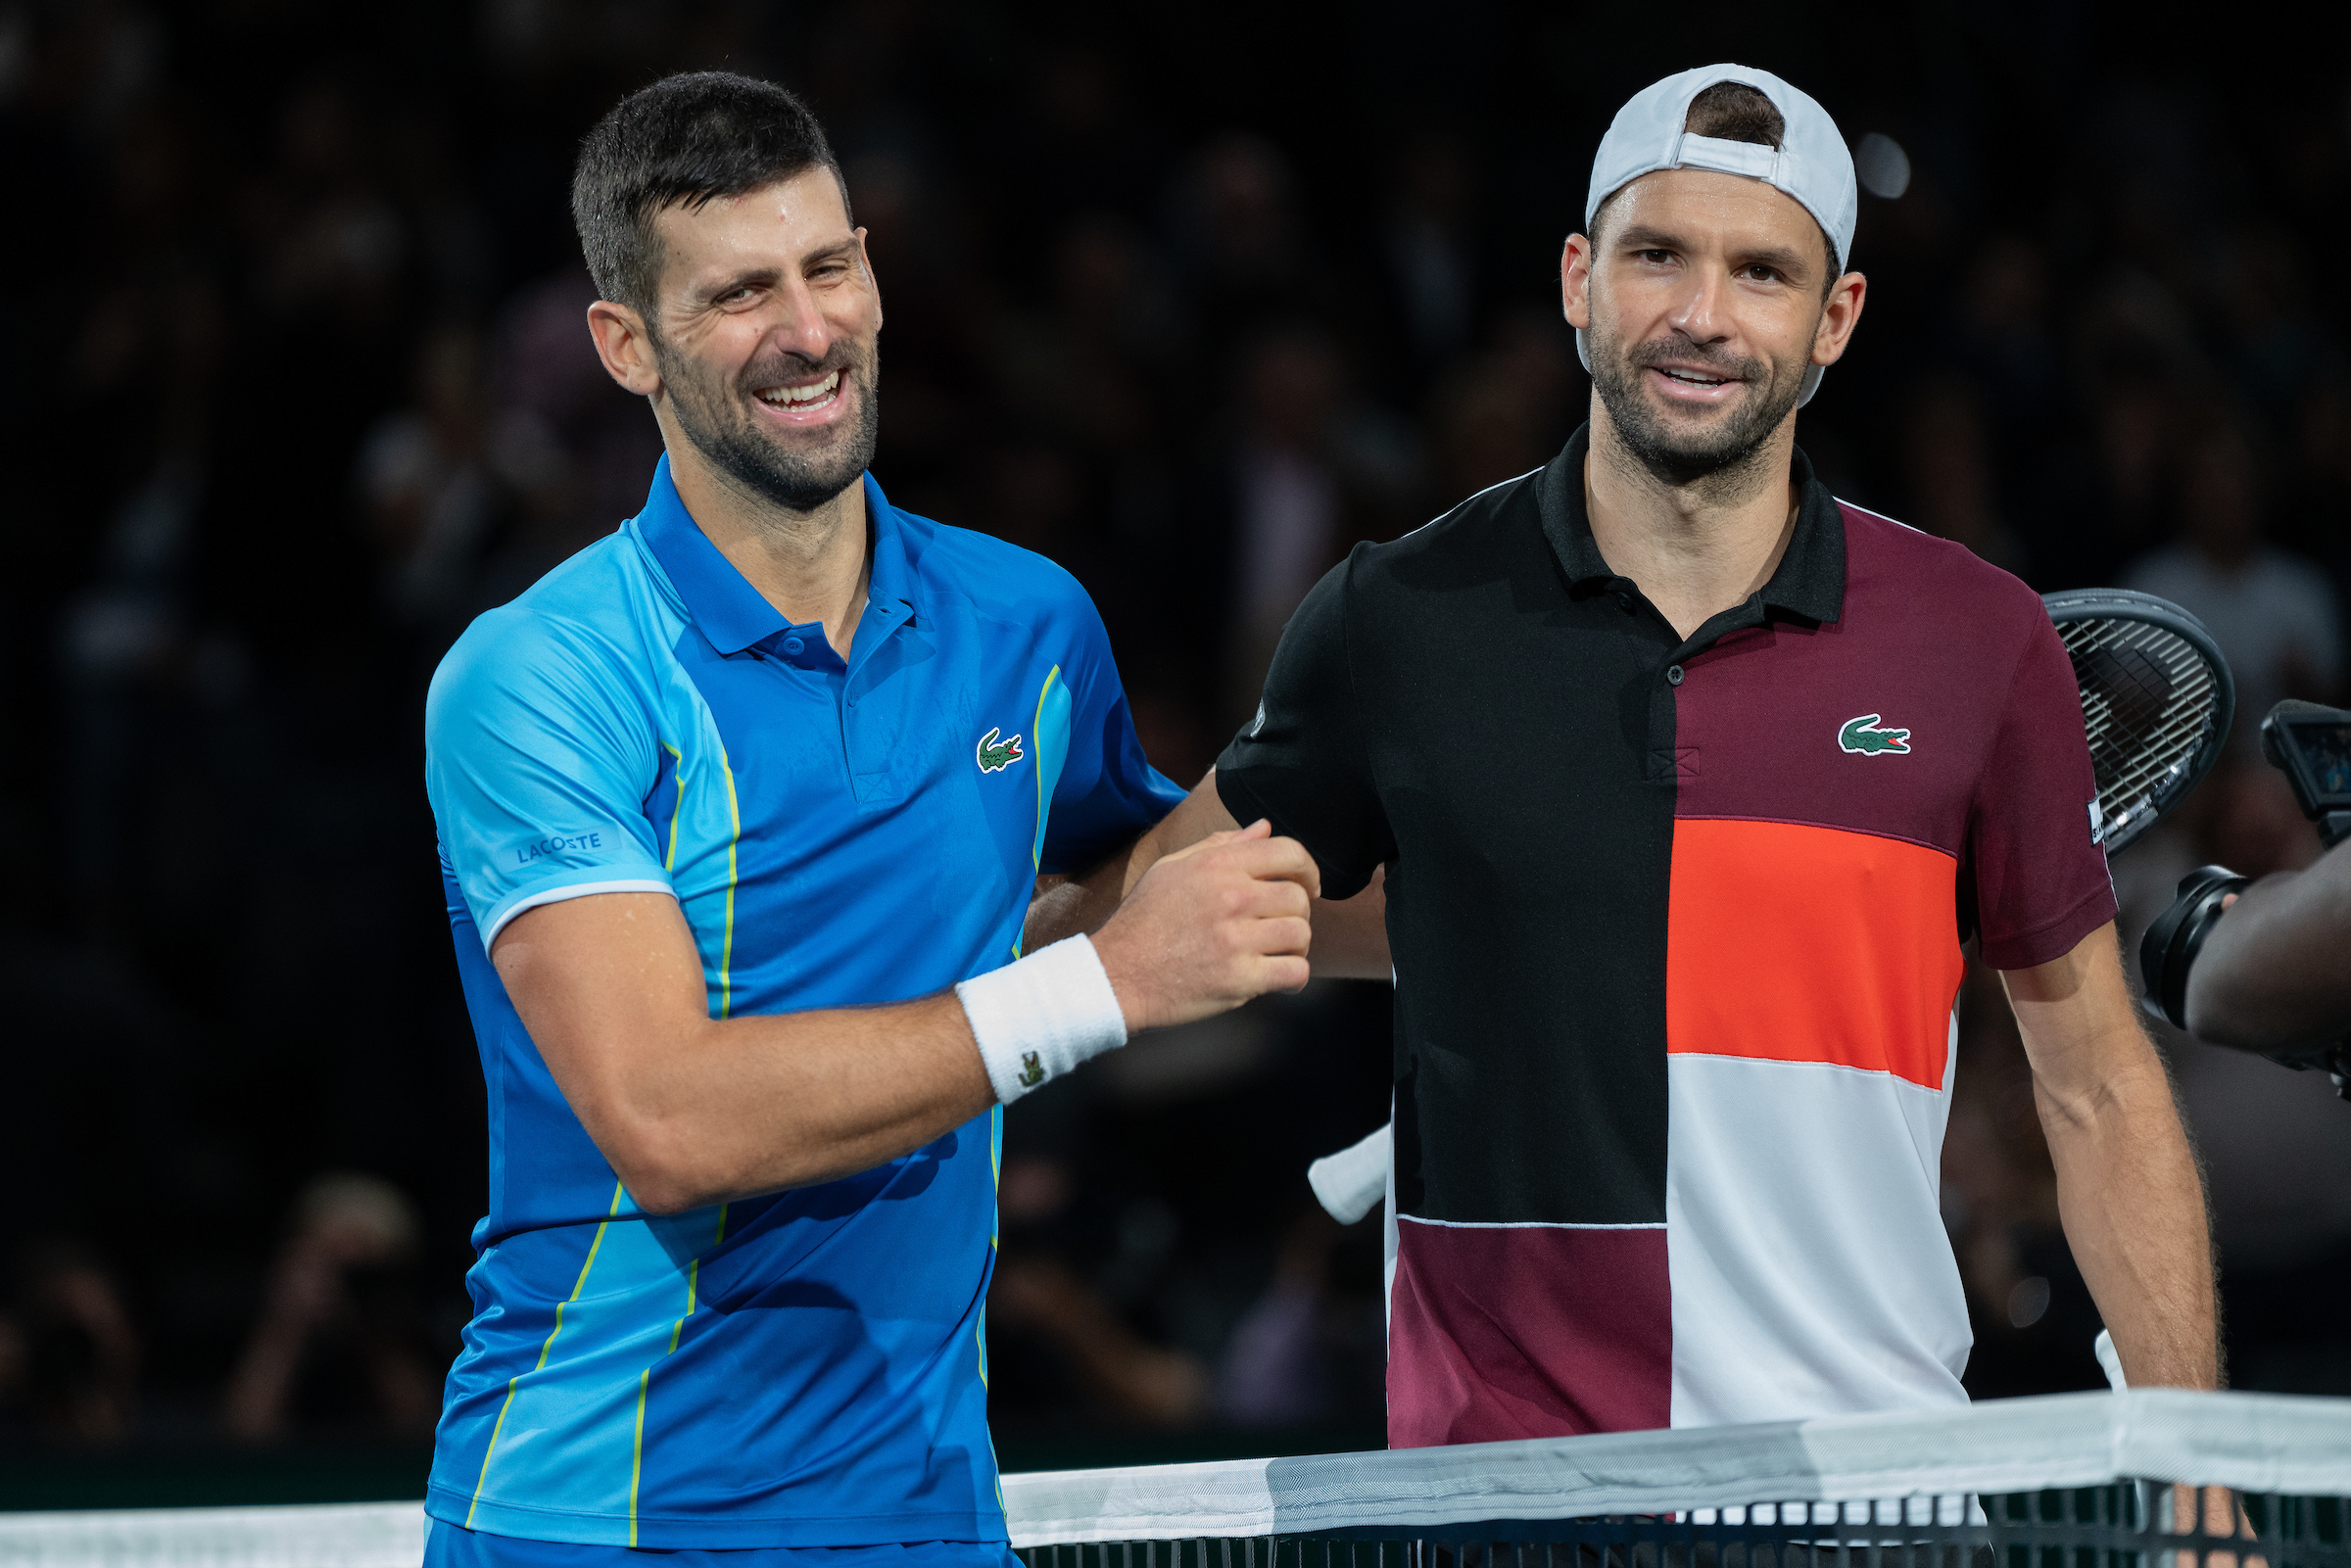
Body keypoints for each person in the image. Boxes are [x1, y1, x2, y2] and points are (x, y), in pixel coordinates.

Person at [1102, 65, 2220, 1442]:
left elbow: (2099, 1085)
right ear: (1578, 279)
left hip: (1864, 1499)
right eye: (1657, 256)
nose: (1701, 315)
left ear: (1835, 322)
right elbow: (1149, 922)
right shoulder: (1396, 619)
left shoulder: (1978, 639)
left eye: (1762, 271)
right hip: (1504, 1511)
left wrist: (2195, 1464)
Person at [419, 73, 1319, 1562]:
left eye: (831, 266)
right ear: (624, 344)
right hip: (595, 1520)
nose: (808, 328)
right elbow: (668, 1117)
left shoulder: (1029, 623)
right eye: (739, 293)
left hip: (927, 1518)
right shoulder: (539, 674)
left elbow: (1156, 889)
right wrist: (1105, 987)